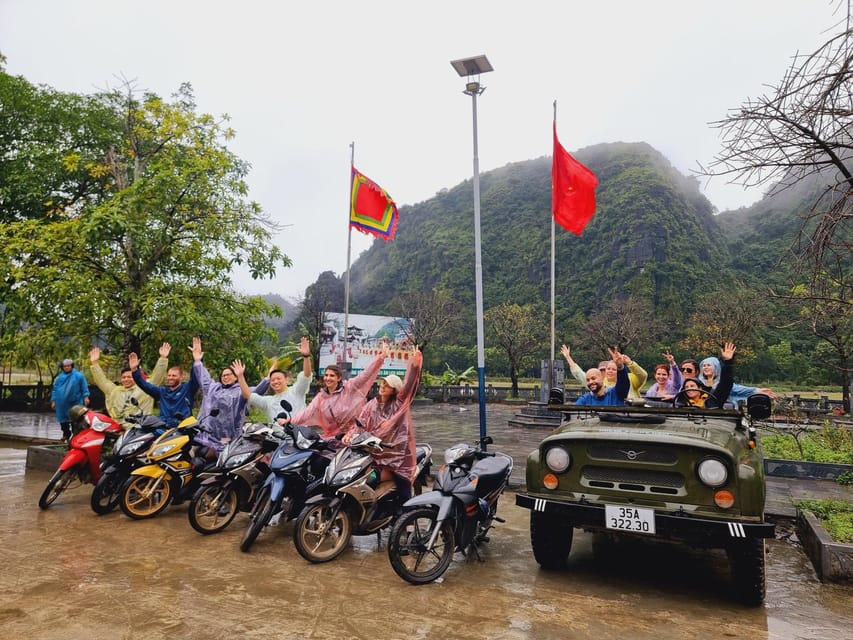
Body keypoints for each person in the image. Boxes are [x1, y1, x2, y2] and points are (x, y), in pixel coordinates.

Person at [344, 346, 423, 500]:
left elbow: (409, 385)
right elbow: (360, 424)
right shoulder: (371, 405)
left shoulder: (399, 404)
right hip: (376, 452)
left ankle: (407, 520)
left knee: (403, 484)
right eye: (382, 383)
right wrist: (350, 435)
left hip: (398, 454)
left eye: (387, 384)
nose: (382, 386)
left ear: (394, 389)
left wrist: (414, 364)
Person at [287, 342, 390, 438]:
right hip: (333, 439)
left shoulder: (350, 388)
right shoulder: (321, 397)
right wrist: (289, 421)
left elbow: (365, 375)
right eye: (326, 375)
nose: (328, 378)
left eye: (332, 376)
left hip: (355, 436)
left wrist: (380, 358)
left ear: (339, 378)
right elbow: (306, 414)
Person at [193, 350, 269, 445]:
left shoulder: (240, 391)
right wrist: (197, 361)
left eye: (228, 374)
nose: (225, 377)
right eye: (223, 375)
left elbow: (256, 392)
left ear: (235, 377)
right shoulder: (213, 388)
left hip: (228, 438)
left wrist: (268, 379)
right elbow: (203, 377)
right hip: (207, 435)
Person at [129, 338, 202, 428]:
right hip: (163, 428)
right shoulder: (162, 391)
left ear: (181, 377)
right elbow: (144, 384)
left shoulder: (188, 389)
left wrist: (197, 360)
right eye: (169, 375)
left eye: (174, 376)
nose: (170, 378)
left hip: (182, 429)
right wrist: (134, 370)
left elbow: (196, 376)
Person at [88, 344, 168, 425]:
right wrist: (94, 363)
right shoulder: (115, 390)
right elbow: (102, 381)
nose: (126, 379)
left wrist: (163, 358)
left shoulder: (145, 388)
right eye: (124, 377)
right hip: (117, 428)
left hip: (138, 429)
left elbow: (157, 376)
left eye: (130, 377)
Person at [241, 337, 313, 423]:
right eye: (272, 380)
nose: (275, 382)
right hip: (277, 435)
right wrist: (240, 376)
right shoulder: (268, 401)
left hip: (299, 435)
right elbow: (248, 395)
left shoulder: (297, 391)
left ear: (287, 380)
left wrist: (306, 356)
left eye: (278, 379)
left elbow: (306, 375)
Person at [699, 352, 777, 408]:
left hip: (722, 411)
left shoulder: (722, 382)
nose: (705, 367)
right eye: (704, 366)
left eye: (709, 365)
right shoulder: (698, 382)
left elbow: (736, 389)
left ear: (716, 367)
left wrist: (756, 390)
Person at [677, 342, 737, 409]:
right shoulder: (680, 404)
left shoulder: (711, 401)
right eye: (686, 387)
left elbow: (726, 384)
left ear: (700, 388)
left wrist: (727, 362)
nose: (689, 389)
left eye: (692, 386)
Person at [50, 358, 90, 442]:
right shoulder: (59, 378)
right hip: (61, 403)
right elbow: (55, 389)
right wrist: (53, 400)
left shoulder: (78, 376)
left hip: (75, 402)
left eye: (68, 366)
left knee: (75, 419)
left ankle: (75, 436)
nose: (66, 367)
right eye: (65, 366)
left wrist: (86, 397)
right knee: (63, 420)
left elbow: (84, 387)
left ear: (71, 366)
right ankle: (66, 434)